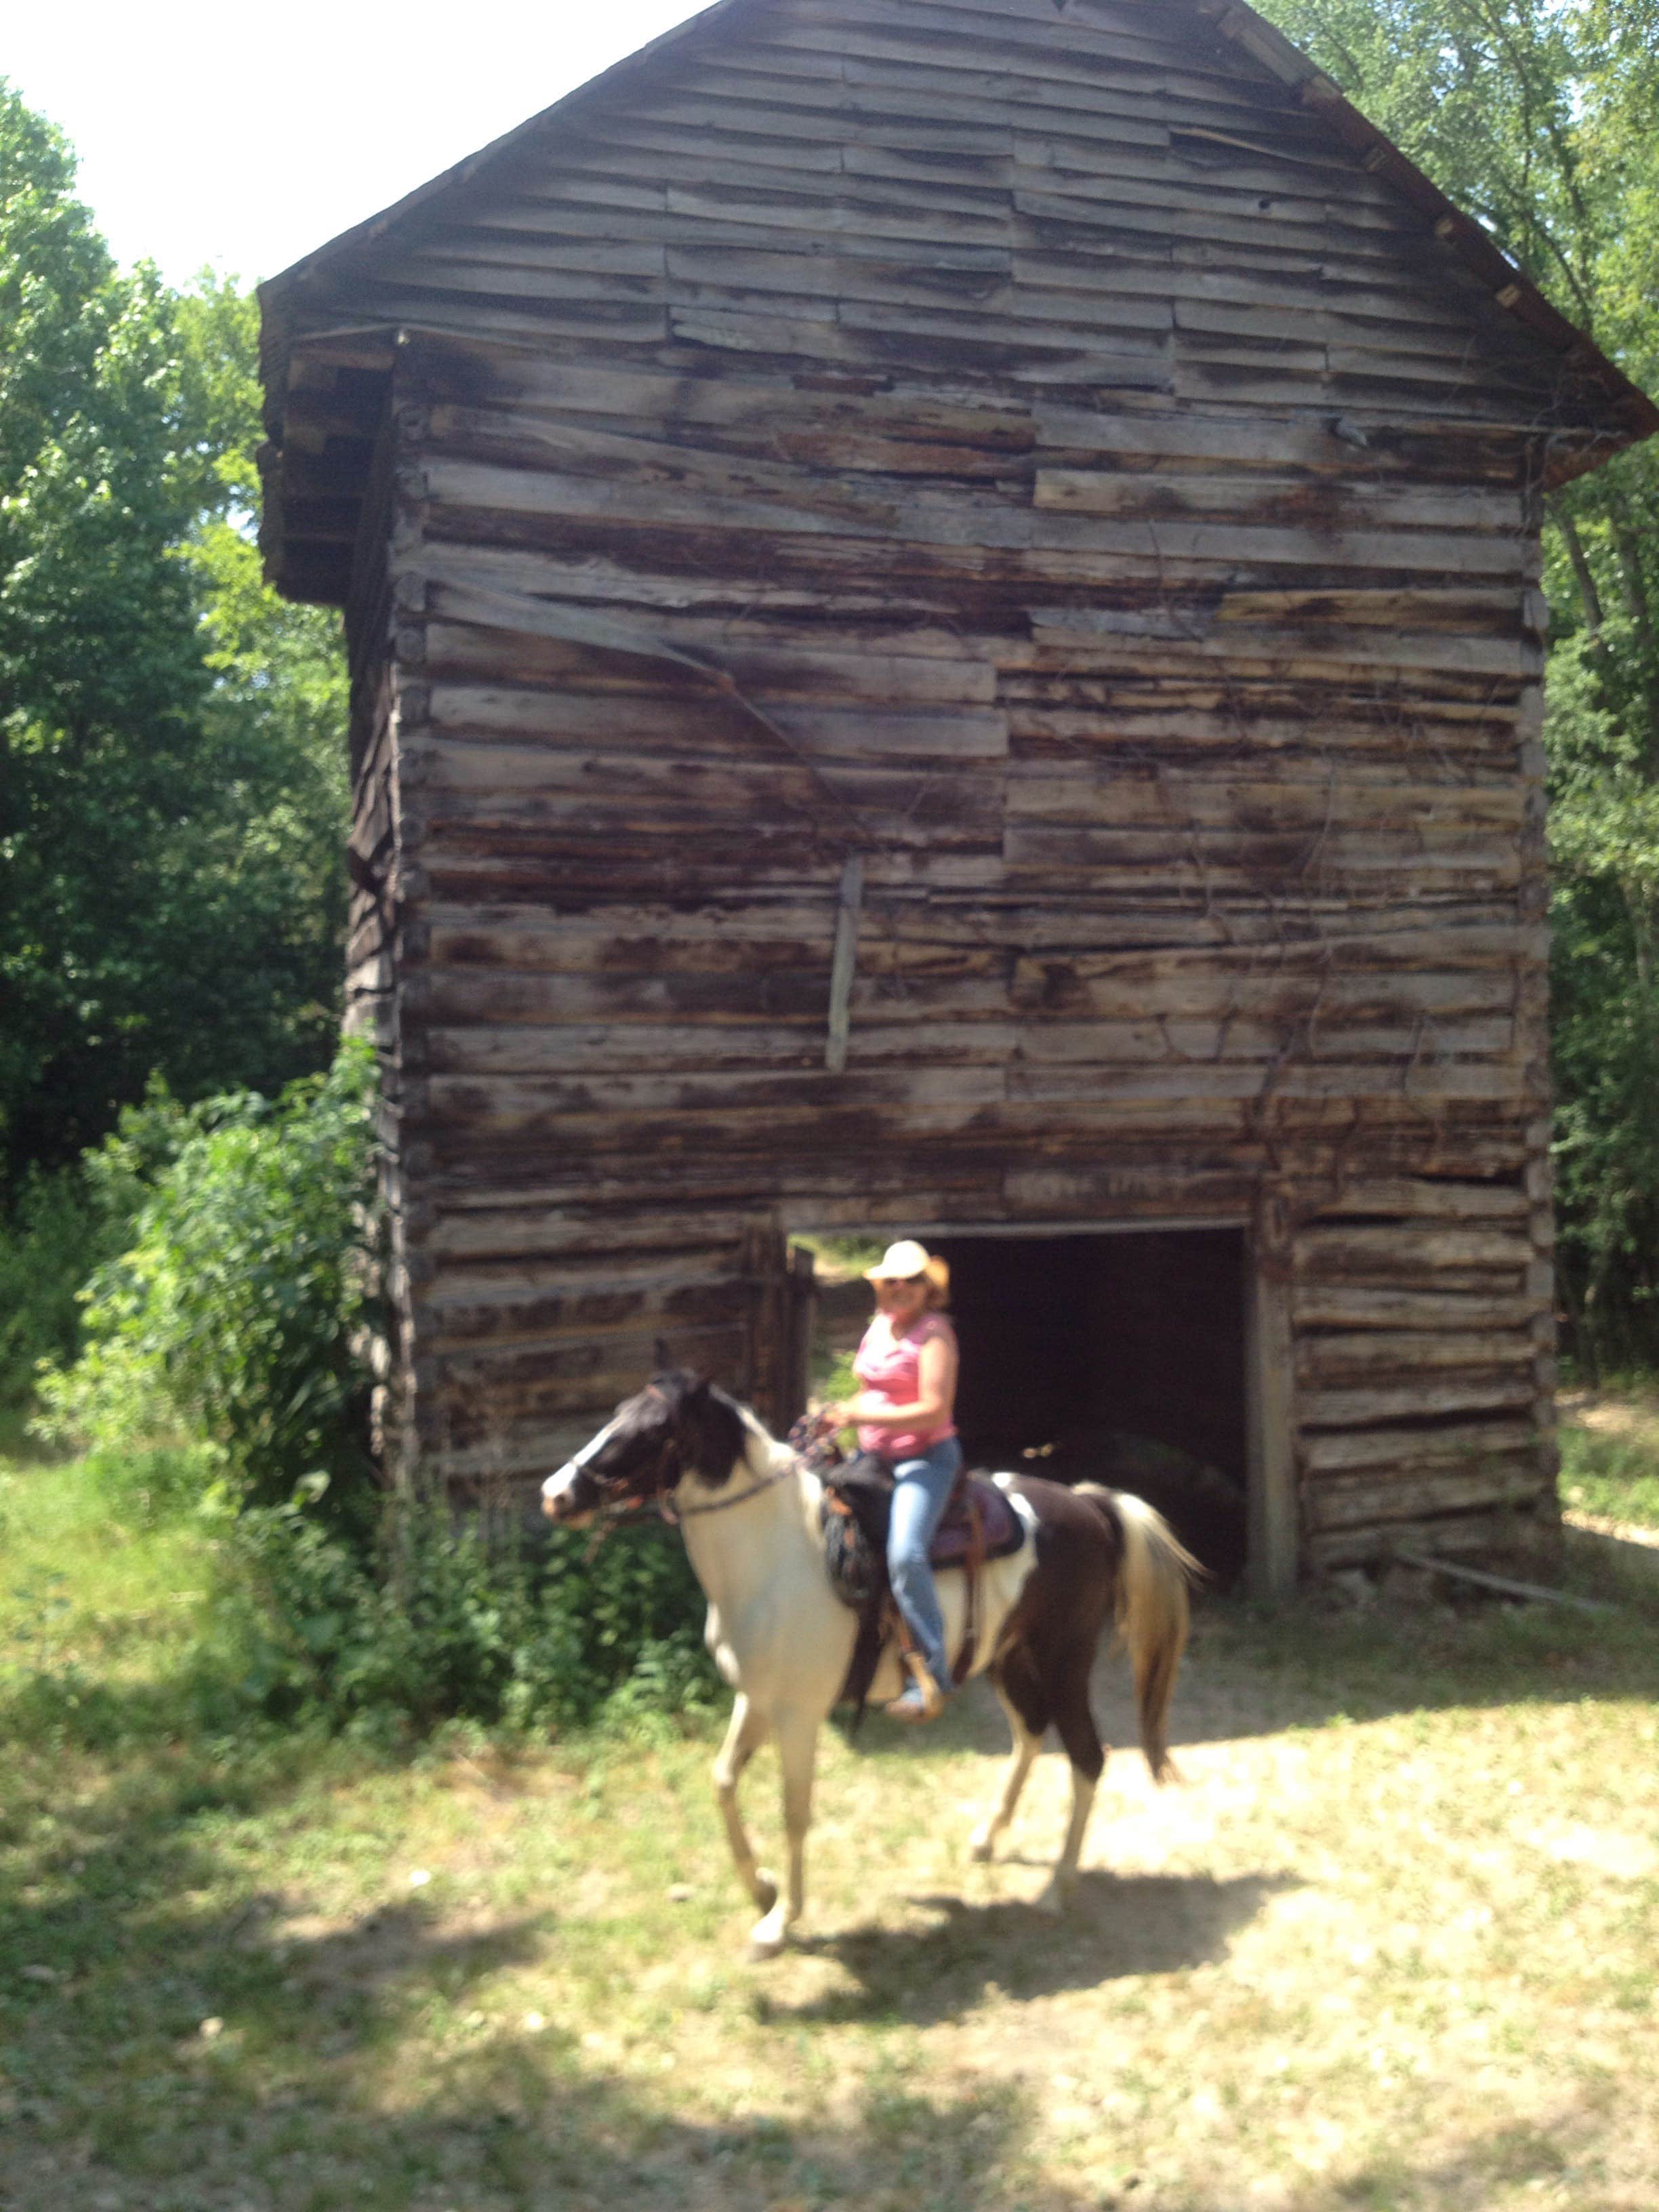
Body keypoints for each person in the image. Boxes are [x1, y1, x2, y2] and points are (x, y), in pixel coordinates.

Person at [826, 1240, 962, 1723]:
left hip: (925, 1459)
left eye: (910, 1280)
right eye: (891, 1281)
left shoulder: (935, 1335)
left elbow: (934, 1409)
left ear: (928, 1290)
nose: (899, 1288)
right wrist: (840, 1418)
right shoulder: (879, 1328)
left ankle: (931, 1676)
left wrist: (860, 1413)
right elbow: (867, 1389)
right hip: (873, 1456)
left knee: (906, 1553)